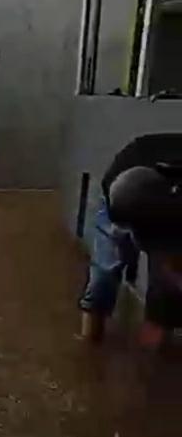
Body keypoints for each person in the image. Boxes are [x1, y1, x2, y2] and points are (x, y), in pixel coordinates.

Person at [79, 134, 182, 348]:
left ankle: (158, 350)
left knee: (166, 286)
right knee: (105, 273)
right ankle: (90, 339)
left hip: (160, 194)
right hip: (123, 190)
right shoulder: (121, 197)